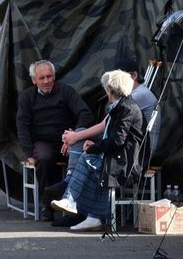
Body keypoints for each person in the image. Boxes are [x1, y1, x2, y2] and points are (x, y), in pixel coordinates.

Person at [51, 70, 145, 231]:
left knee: (88, 160)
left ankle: (74, 202)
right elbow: (112, 136)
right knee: (93, 164)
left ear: (110, 90)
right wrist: (94, 146)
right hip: (117, 155)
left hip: (125, 160)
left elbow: (117, 140)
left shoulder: (126, 108)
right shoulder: (121, 106)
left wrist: (95, 147)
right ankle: (93, 216)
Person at [16, 60, 93, 220]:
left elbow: (85, 114)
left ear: (54, 76)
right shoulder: (27, 97)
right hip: (42, 142)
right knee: (43, 158)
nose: (46, 81)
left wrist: (73, 135)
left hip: (67, 140)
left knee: (87, 155)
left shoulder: (66, 91)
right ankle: (47, 205)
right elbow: (22, 126)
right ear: (33, 80)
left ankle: (79, 206)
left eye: (49, 77)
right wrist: (29, 153)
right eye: (42, 78)